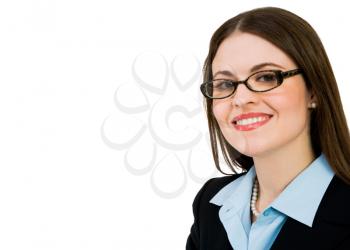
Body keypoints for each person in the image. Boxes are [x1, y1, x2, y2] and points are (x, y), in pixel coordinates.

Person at [186, 6, 350, 250]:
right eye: (225, 83)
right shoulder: (210, 203)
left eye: (266, 77)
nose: (240, 99)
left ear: (313, 91)